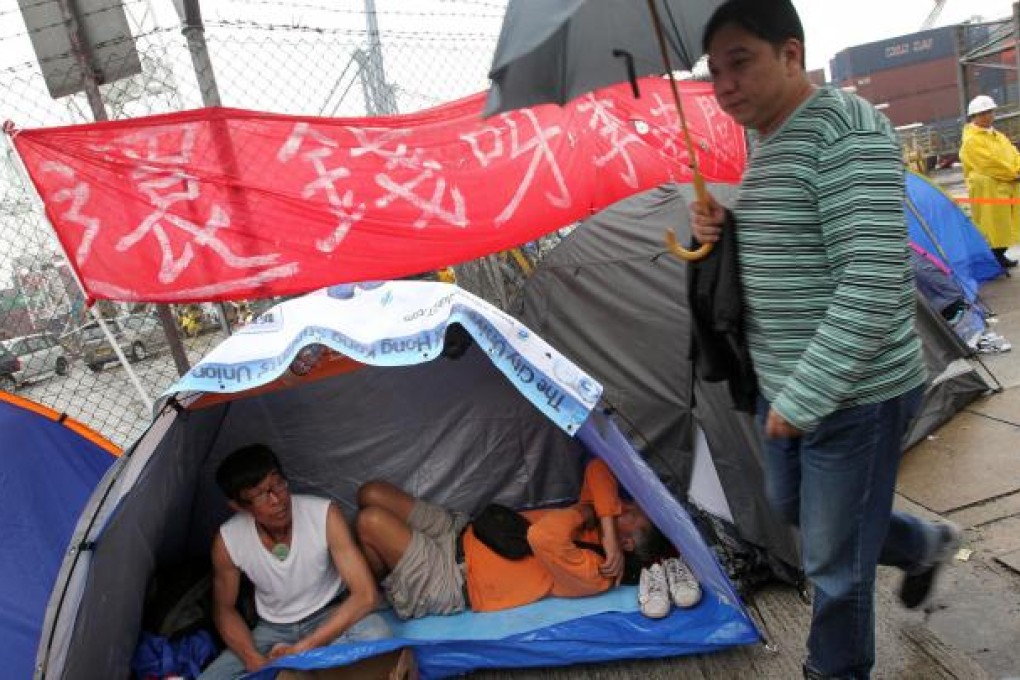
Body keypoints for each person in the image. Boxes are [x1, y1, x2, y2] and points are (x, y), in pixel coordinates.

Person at [692, 2, 961, 678]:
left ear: (790, 54)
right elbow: (793, 245)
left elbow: (871, 281)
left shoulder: (845, 129)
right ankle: (925, 543)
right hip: (783, 388)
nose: (724, 84)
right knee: (804, 516)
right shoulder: (767, 141)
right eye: (714, 70)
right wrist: (725, 226)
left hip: (855, 395)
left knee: (834, 567)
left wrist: (807, 395)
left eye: (740, 61)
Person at [353, 458, 694, 620]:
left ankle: (378, 594)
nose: (626, 504)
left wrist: (588, 513)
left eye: (632, 514)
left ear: (630, 544)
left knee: (370, 522)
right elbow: (598, 466)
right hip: (461, 530)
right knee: (371, 492)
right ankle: (386, 578)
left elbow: (541, 536)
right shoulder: (602, 524)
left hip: (454, 577)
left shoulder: (597, 571)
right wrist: (607, 524)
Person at [200, 444, 390, 679]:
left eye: (278, 484)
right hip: (272, 629)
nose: (276, 500)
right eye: (260, 495)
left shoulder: (323, 514)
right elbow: (224, 609)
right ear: (238, 506)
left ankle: (299, 668)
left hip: (329, 613)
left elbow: (365, 595)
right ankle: (303, 668)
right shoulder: (227, 540)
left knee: (376, 634)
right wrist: (254, 660)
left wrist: (304, 648)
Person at [959, 94, 1020, 270]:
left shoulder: (997, 135)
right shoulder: (972, 140)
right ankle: (995, 258)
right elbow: (989, 164)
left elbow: (1013, 153)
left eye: (990, 112)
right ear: (974, 116)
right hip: (989, 189)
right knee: (992, 227)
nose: (988, 116)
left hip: (1007, 185)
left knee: (1006, 226)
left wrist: (1017, 169)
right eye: (983, 113)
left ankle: (1000, 256)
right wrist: (1014, 173)